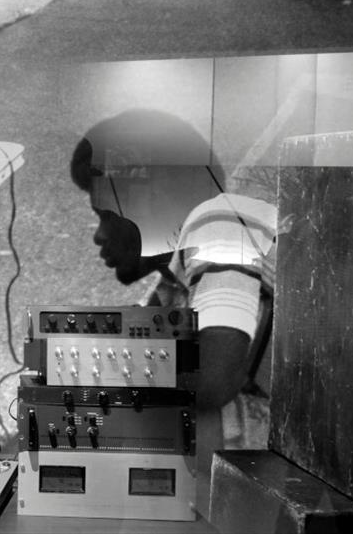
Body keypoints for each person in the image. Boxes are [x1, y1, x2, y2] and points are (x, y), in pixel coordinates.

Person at [69, 109, 277, 516]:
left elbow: (216, 378)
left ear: (149, 200)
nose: (99, 234)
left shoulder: (221, 224)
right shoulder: (175, 280)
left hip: (288, 464)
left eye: (105, 215)